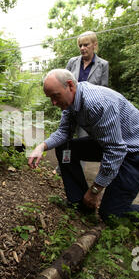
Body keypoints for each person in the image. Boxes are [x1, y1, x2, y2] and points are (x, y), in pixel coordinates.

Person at [28, 69, 139, 229]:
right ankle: (80, 202)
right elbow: (64, 133)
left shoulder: (96, 103)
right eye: (50, 98)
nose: (53, 103)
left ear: (69, 86)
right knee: (65, 148)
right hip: (113, 143)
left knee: (110, 214)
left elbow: (115, 150)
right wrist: (41, 147)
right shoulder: (70, 103)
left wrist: (95, 190)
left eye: (55, 96)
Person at [54, 31, 109, 175]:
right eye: (80, 45)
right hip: (71, 107)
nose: (83, 48)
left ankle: (79, 172)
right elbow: (62, 82)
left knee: (82, 141)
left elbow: (104, 90)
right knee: (65, 137)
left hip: (88, 110)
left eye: (86, 44)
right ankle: (62, 167)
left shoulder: (103, 65)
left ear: (94, 45)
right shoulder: (72, 62)